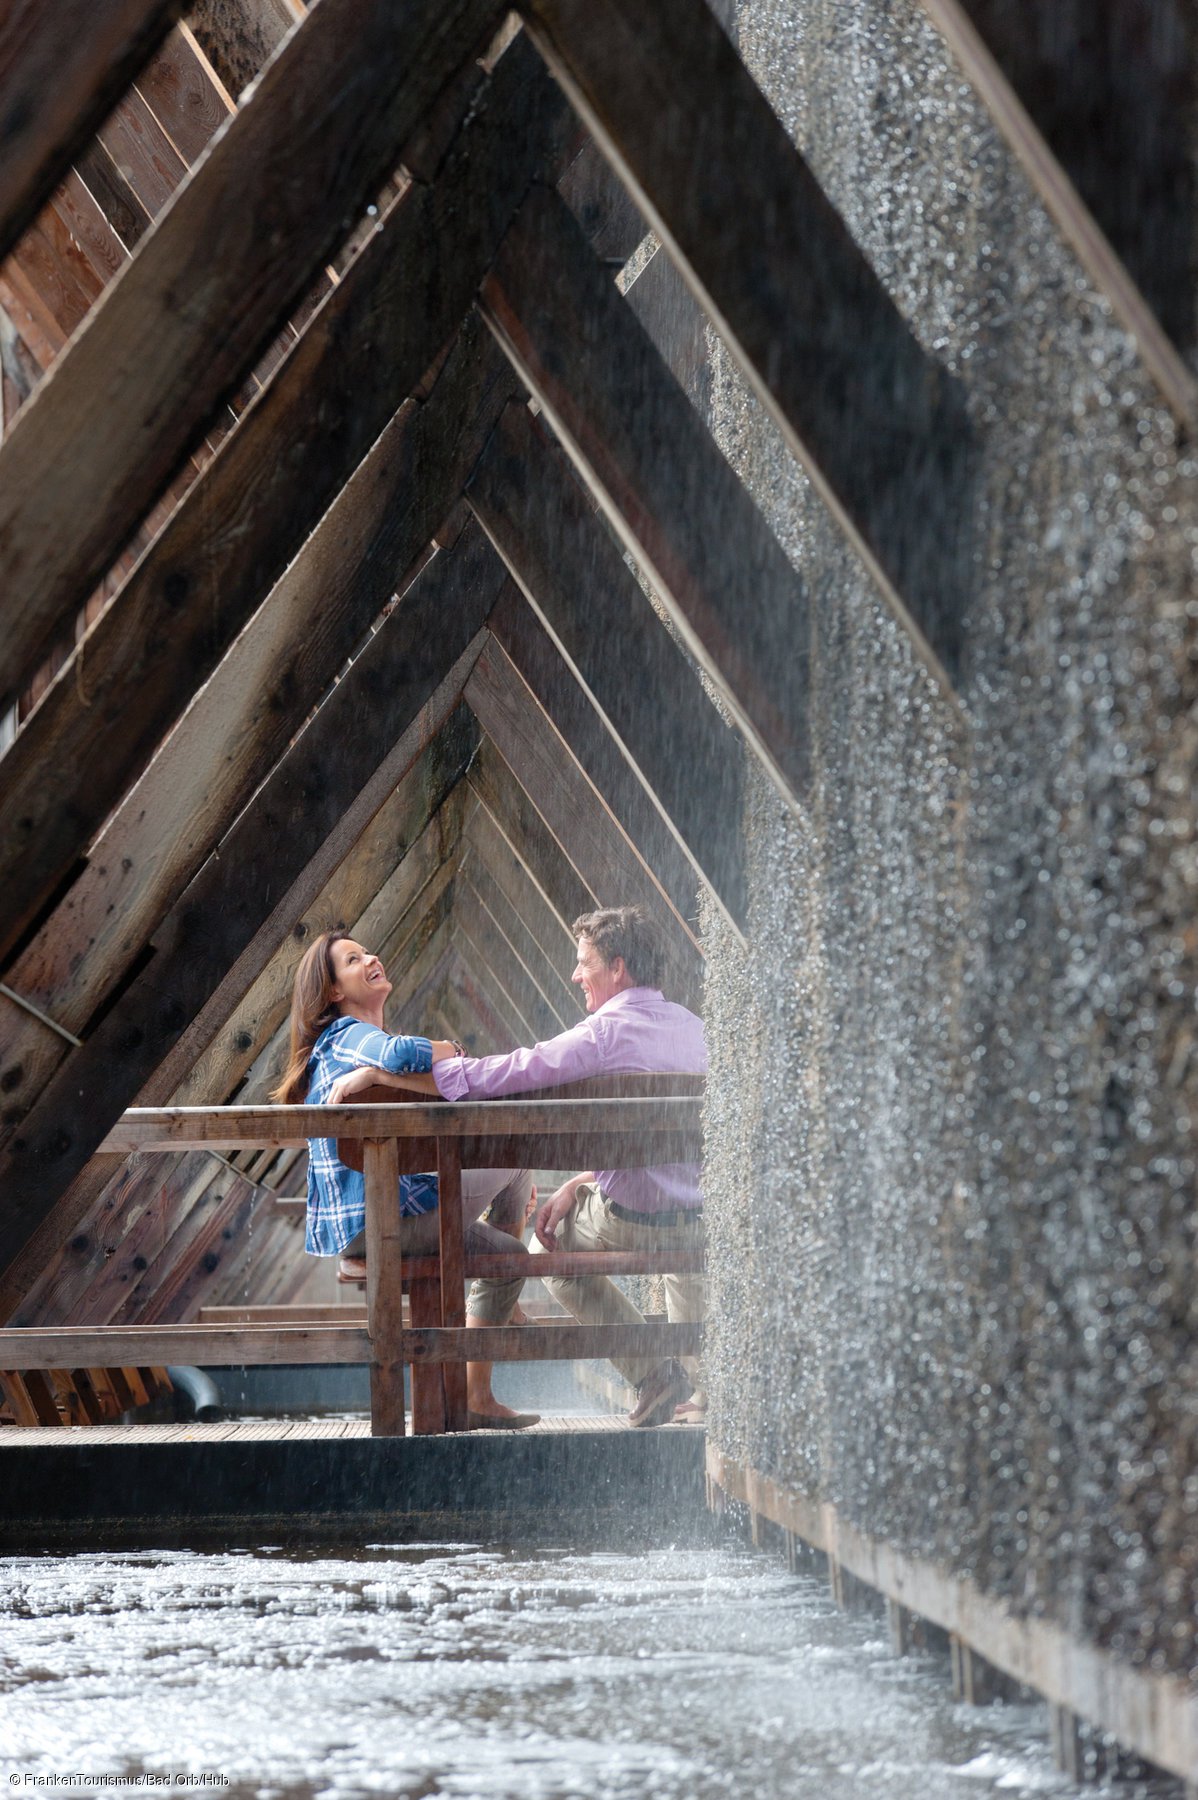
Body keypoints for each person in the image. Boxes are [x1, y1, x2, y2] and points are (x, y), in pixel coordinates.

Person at [329, 907, 706, 1429]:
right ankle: (707, 1382)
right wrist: (582, 1181)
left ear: (618, 968)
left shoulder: (601, 1036)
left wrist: (396, 1078)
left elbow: (507, 1073)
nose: (576, 975)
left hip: (632, 1218)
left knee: (547, 1244)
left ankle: (652, 1370)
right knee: (671, 1234)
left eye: (585, 963)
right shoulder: (700, 1031)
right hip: (700, 1221)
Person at [272, 931, 537, 1428]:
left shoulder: (346, 1050)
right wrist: (449, 1048)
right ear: (334, 993)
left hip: (378, 1219)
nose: (372, 958)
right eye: (353, 959)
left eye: (368, 951)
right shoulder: (350, 1037)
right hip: (383, 1220)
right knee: (519, 1158)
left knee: (511, 1257)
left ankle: (479, 1390)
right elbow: (399, 1056)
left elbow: (396, 1068)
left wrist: (382, 1079)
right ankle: (496, 1302)